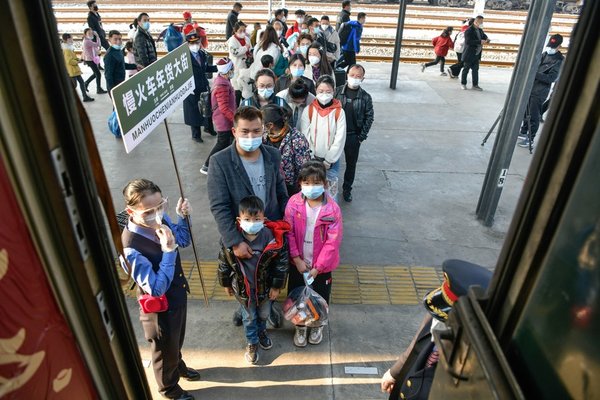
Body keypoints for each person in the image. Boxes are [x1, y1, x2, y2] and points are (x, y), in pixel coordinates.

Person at [207, 106, 289, 326]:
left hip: (269, 232)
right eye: (245, 131)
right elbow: (220, 206)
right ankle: (245, 308)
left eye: (256, 131)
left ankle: (267, 308)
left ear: (264, 129)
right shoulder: (220, 162)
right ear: (234, 132)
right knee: (243, 276)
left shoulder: (272, 154)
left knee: (270, 274)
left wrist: (284, 225)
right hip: (241, 234)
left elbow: (280, 191)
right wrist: (234, 242)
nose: (251, 136)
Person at [121, 179, 200, 400]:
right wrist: (167, 251)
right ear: (131, 211)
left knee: (176, 339)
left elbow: (182, 240)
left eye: (161, 206)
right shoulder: (131, 247)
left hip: (177, 294)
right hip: (158, 308)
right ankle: (169, 388)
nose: (157, 216)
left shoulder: (159, 218)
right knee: (163, 349)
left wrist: (183, 217)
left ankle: (177, 364)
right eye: (148, 211)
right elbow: (156, 288)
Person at [380, 259, 492, 400]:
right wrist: (394, 373)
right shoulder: (437, 314)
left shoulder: (474, 361)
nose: (437, 323)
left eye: (447, 320)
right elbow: (416, 345)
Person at [218, 196, 290, 364]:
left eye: (256, 219)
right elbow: (223, 263)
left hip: (265, 289)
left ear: (264, 219)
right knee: (249, 317)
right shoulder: (231, 240)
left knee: (264, 314)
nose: (252, 222)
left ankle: (262, 331)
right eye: (247, 219)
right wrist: (226, 283)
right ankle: (252, 342)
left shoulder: (273, 238)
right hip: (245, 290)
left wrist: (276, 286)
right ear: (239, 220)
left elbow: (281, 264)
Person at [284, 161, 343, 347]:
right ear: (300, 183)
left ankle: (317, 325)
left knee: (320, 298)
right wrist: (296, 259)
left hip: (321, 267)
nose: (311, 187)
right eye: (307, 183)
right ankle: (300, 327)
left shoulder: (332, 209)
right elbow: (289, 232)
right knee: (297, 297)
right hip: (298, 264)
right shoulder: (293, 204)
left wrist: (318, 268)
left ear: (325, 184)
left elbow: (332, 242)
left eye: (316, 183)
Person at [301, 75, 346, 200]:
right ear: (316, 91)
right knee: (312, 191)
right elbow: (305, 136)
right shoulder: (309, 110)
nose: (324, 94)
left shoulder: (339, 112)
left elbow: (340, 138)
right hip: (312, 160)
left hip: (331, 162)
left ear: (334, 91)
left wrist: (329, 160)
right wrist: (311, 156)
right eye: (321, 91)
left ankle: (330, 218)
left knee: (331, 194)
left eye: (328, 91)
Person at [517, 34, 564, 149]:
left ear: (559, 46)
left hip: (540, 91)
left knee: (534, 115)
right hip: (531, 87)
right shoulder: (545, 54)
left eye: (553, 46)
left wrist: (534, 74)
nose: (550, 48)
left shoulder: (559, 60)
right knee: (526, 112)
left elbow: (552, 78)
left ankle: (530, 138)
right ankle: (524, 131)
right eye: (550, 45)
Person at [334, 64, 374, 202]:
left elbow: (369, 117)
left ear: (363, 78)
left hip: (353, 136)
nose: (354, 78)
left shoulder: (366, 97)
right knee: (332, 162)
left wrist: (361, 137)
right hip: (336, 135)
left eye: (358, 76)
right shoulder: (337, 92)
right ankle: (330, 187)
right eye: (352, 75)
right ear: (347, 75)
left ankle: (347, 189)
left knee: (351, 165)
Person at [263, 104, 311, 195]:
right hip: (268, 185)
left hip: (290, 188)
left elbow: (304, 169)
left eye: (260, 123)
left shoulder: (297, 139)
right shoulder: (263, 136)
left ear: (270, 125)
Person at [200, 58, 237, 175]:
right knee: (222, 143)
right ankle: (207, 165)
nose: (233, 70)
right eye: (232, 68)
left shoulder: (223, 80)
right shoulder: (222, 85)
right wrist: (236, 119)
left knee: (228, 142)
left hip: (225, 120)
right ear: (228, 70)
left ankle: (226, 163)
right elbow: (224, 108)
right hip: (224, 121)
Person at [183, 25, 218, 143]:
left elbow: (206, 68)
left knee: (207, 107)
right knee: (194, 111)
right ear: (187, 44)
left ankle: (208, 128)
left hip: (203, 84)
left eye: (197, 42)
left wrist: (218, 68)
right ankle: (196, 134)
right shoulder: (184, 57)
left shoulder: (202, 54)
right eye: (192, 43)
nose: (195, 45)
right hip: (191, 88)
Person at [61, 33, 94, 102]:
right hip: (72, 70)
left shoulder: (68, 47)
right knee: (74, 85)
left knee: (81, 82)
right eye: (71, 38)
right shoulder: (67, 49)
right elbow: (69, 61)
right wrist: (77, 62)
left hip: (74, 70)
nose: (72, 39)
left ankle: (85, 96)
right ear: (67, 39)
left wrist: (78, 59)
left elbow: (72, 58)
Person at [460, 15, 489, 91]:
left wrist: (487, 39)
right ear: (476, 22)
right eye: (481, 22)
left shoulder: (480, 30)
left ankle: (475, 85)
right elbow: (468, 42)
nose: (482, 24)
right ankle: (463, 84)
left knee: (475, 70)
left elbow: (484, 36)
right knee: (466, 69)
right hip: (469, 54)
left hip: (476, 54)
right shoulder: (469, 30)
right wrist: (479, 41)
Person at [227, 21, 252, 105]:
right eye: (240, 31)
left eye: (244, 30)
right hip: (236, 69)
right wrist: (245, 48)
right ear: (235, 31)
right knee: (237, 92)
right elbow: (235, 52)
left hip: (246, 69)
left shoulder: (247, 39)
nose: (243, 33)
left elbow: (250, 48)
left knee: (246, 92)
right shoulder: (232, 40)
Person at [82, 28, 106, 94]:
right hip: (90, 60)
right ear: (85, 34)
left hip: (90, 59)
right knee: (98, 74)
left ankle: (86, 83)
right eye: (89, 33)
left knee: (96, 73)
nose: (91, 34)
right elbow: (98, 44)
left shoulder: (87, 40)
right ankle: (98, 89)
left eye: (91, 33)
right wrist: (97, 36)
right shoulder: (87, 41)